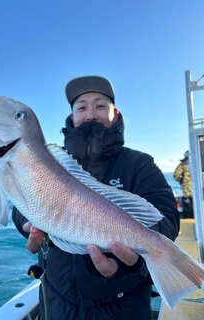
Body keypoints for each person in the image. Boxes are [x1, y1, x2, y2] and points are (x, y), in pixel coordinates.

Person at [12, 76, 180, 320]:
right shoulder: (46, 161)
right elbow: (20, 204)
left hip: (124, 306)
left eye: (100, 105)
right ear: (72, 117)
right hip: (56, 302)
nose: (90, 114)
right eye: (81, 107)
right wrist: (28, 223)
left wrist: (129, 264)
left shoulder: (139, 163)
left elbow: (166, 219)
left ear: (115, 113)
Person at [173, 151, 194, 218]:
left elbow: (176, 176)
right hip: (198, 190)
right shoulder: (198, 161)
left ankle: (189, 224)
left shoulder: (182, 164)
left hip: (187, 189)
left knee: (188, 209)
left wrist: (182, 181)